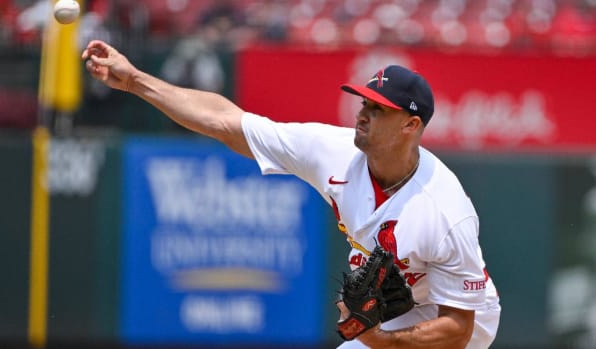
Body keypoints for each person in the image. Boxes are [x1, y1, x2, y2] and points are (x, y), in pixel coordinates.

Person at [82, 39, 501, 348]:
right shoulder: (332, 152)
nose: (362, 114)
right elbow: (228, 123)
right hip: (401, 309)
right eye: (363, 103)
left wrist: (381, 340)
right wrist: (136, 81)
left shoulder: (444, 211)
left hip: (458, 322)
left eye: (378, 109)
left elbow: (458, 327)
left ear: (411, 126)